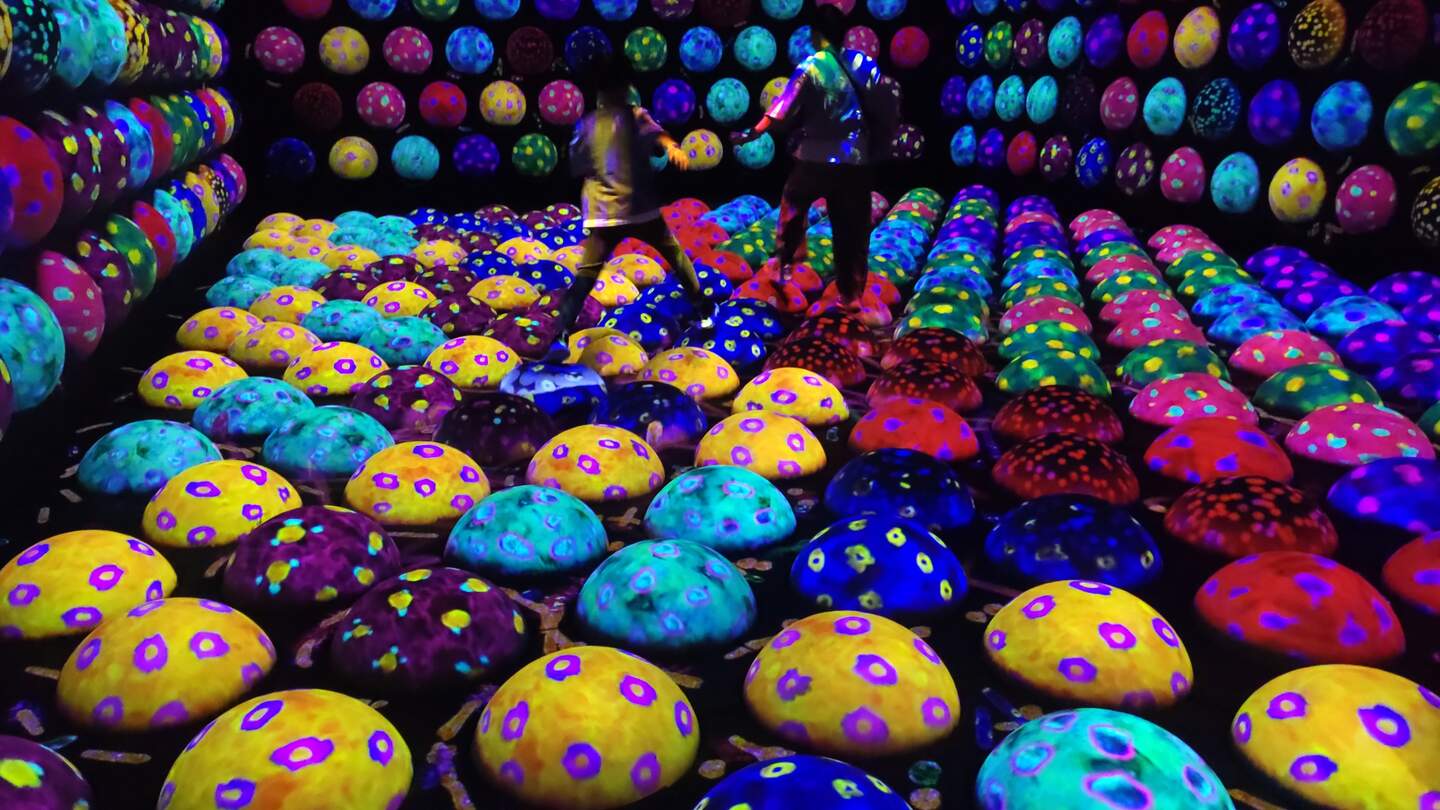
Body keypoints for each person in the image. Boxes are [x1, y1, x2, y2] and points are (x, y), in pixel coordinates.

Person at [731, 0, 897, 311]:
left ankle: (786, 262)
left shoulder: (811, 66)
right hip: (856, 161)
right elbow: (886, 103)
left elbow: (781, 110)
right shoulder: (862, 63)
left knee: (793, 202)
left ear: (815, 34)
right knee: (852, 229)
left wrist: (752, 133)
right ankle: (852, 297)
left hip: (815, 158)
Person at [548, 59, 709, 356]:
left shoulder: (586, 124)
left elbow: (577, 165)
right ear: (626, 90)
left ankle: (560, 335)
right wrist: (671, 147)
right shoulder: (637, 116)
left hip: (604, 214)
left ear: (600, 93)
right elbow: (659, 140)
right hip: (641, 209)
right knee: (676, 257)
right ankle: (704, 312)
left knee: (585, 276)